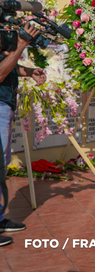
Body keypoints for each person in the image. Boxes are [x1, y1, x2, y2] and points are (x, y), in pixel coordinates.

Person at [0, 22, 45, 246]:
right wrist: (22, 45)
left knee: (1, 164)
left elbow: (6, 65)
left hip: (5, 104)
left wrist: (28, 71)